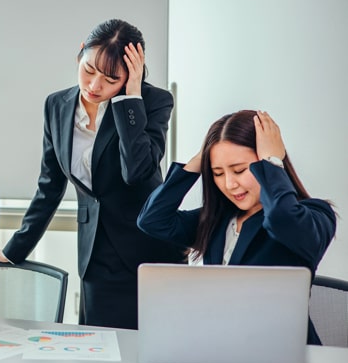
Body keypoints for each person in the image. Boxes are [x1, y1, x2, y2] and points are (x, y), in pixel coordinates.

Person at [0, 19, 186, 329]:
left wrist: (130, 100)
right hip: (97, 256)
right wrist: (15, 247)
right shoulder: (57, 105)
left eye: (111, 79)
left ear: (130, 76)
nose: (95, 86)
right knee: (99, 352)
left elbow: (137, 172)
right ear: (79, 54)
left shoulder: (154, 102)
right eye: (89, 71)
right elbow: (50, 185)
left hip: (149, 251)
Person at [137, 110, 336, 344]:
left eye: (240, 170)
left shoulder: (315, 216)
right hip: (223, 347)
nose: (230, 184)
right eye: (218, 173)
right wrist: (198, 162)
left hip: (283, 352)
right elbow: (152, 219)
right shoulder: (217, 220)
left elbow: (282, 218)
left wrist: (273, 161)